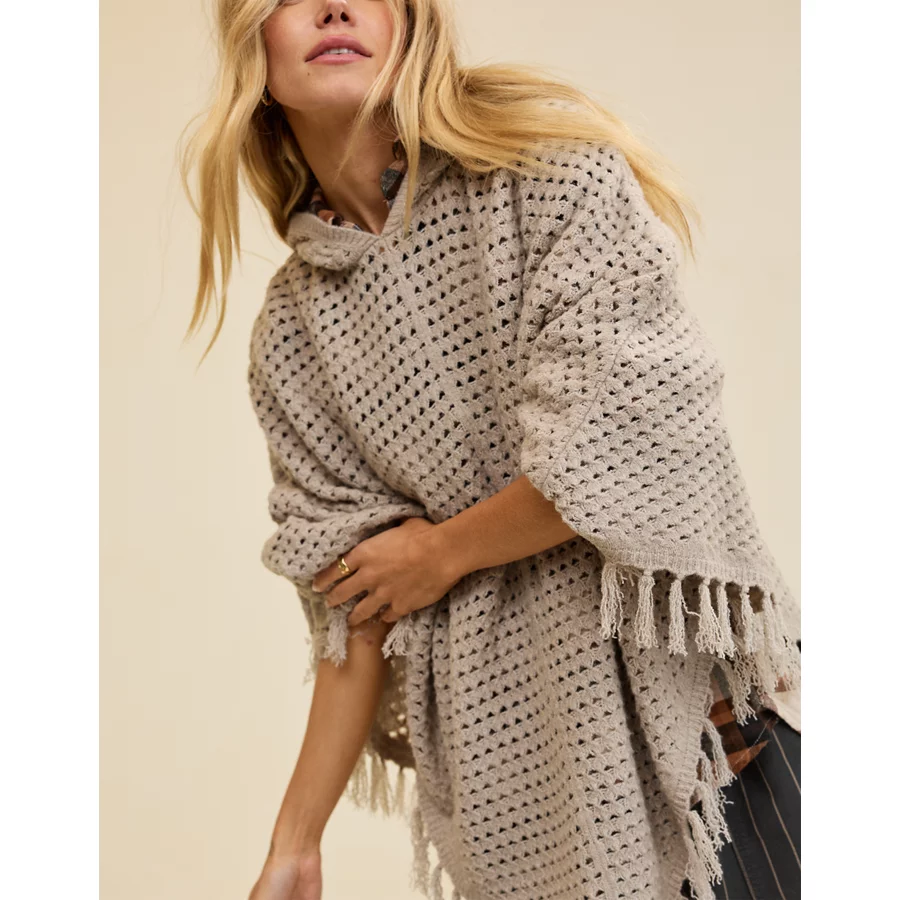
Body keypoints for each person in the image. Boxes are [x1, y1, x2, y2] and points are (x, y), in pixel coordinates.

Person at [178, 2, 801, 899]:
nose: (334, 6)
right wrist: (296, 842)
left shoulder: (551, 177)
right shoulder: (292, 333)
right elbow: (358, 606)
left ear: (410, 24)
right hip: (536, 807)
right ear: (254, 48)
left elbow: (623, 442)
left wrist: (440, 553)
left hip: (718, 751)